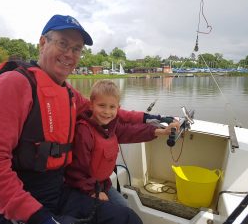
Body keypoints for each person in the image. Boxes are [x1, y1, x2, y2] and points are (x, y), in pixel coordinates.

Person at [0, 14, 169, 224]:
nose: (69, 54)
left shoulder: (68, 93)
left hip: (56, 192)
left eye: (76, 49)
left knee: (126, 218)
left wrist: (150, 119)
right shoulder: (13, 84)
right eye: (63, 44)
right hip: (9, 205)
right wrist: (39, 217)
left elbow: (111, 113)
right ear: (42, 43)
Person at [65, 80, 180, 208]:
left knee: (126, 210)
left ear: (118, 108)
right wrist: (92, 191)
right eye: (101, 105)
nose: (107, 112)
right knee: (122, 215)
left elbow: (132, 132)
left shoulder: (112, 126)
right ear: (91, 105)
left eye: (112, 107)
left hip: (103, 184)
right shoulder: (84, 131)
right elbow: (77, 170)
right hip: (85, 189)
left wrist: (163, 131)